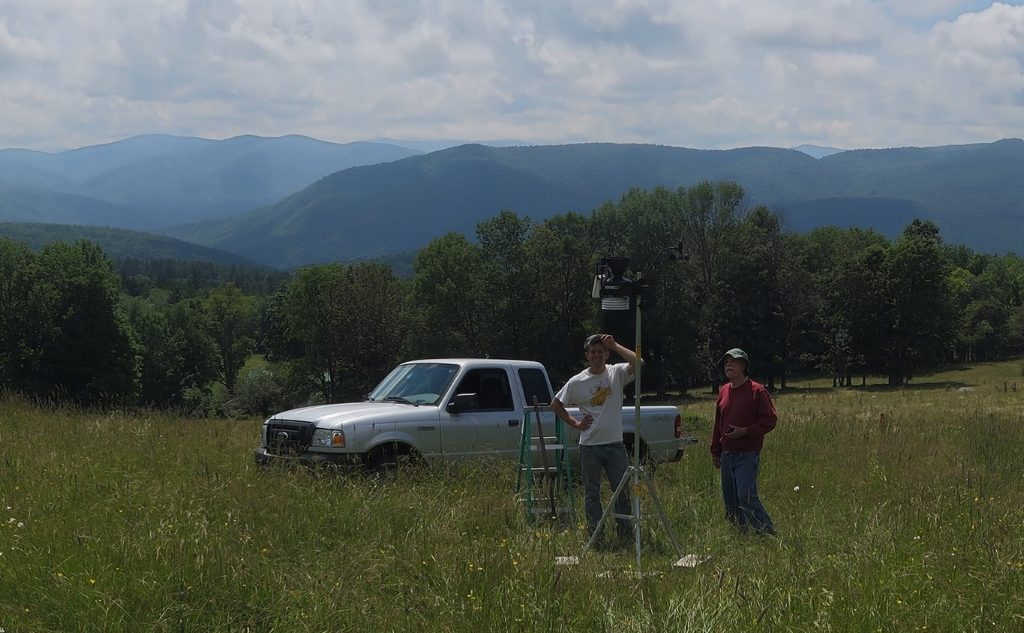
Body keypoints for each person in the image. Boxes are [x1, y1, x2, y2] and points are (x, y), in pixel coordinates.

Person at [551, 333, 641, 546]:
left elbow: (639, 362)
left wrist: (616, 345)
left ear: (606, 354)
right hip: (590, 445)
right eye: (593, 352)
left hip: (615, 444)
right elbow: (555, 404)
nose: (597, 355)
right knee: (592, 494)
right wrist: (574, 423)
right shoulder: (577, 381)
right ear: (587, 355)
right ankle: (595, 536)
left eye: (601, 351)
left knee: (621, 490)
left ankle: (625, 534)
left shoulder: (616, 373)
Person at [710, 348, 778, 535]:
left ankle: (766, 533)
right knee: (730, 500)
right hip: (726, 454)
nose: (729, 365)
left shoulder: (757, 391)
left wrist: (745, 431)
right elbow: (719, 423)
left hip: (747, 453)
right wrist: (715, 450)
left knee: (745, 495)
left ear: (744, 366)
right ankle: (739, 536)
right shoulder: (723, 391)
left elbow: (770, 420)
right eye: (726, 362)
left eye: (733, 361)